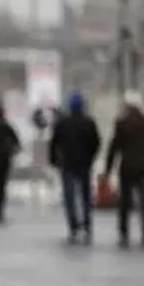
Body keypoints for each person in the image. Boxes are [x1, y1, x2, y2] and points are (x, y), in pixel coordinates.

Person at [103, 90, 144, 247]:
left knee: (125, 203)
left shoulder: (121, 124)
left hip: (127, 168)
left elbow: (114, 147)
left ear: (127, 106)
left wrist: (108, 169)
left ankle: (124, 232)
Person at [49, 92, 101, 243]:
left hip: (68, 164)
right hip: (84, 164)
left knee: (70, 197)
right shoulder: (89, 122)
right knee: (85, 196)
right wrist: (91, 157)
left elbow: (54, 143)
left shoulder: (62, 123)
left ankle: (73, 226)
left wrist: (55, 159)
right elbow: (96, 142)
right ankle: (87, 224)